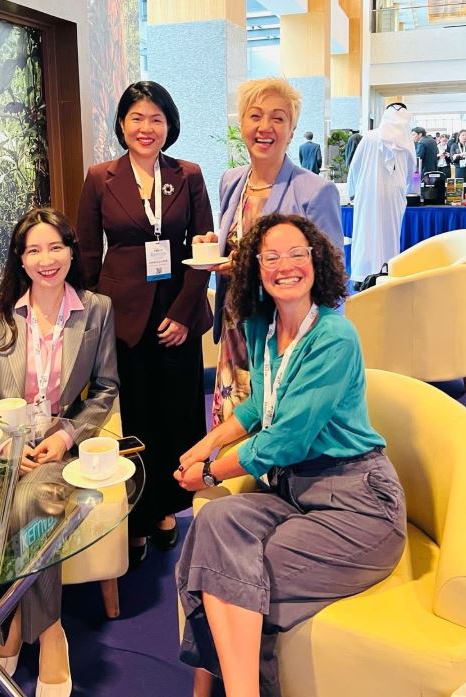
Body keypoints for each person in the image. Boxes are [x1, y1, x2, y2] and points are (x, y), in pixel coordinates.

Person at [174, 213, 407, 697]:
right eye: (272, 257)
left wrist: (211, 473)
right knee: (214, 526)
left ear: (316, 261)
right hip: (294, 492)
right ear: (255, 269)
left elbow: (286, 439)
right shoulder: (262, 328)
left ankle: (228, 689)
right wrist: (206, 443)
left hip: (358, 502)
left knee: (228, 571)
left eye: (297, 253)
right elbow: (261, 405)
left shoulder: (333, 337)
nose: (286, 266)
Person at [0, 207, 119, 697]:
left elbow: (105, 389)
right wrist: (2, 439)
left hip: (53, 448)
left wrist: (65, 437)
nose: (47, 260)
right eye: (34, 250)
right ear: (20, 259)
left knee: (35, 511)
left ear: (71, 251)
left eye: (55, 247)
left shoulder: (96, 309)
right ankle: (19, 621)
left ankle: (48, 634)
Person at [76, 81, 213, 566]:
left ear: (169, 125)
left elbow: (204, 249)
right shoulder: (101, 177)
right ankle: (135, 513)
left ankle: (167, 507)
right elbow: (87, 253)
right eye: (137, 118)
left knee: (177, 412)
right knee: (133, 416)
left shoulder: (187, 174)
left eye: (156, 118)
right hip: (123, 316)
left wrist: (184, 312)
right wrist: (94, 314)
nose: (146, 128)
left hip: (178, 310)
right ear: (122, 124)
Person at [192, 77, 342, 427]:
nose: (265, 127)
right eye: (255, 115)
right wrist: (213, 244)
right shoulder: (232, 181)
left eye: (278, 118)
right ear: (242, 124)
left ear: (292, 130)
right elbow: (239, 240)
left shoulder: (315, 191)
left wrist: (324, 349)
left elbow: (331, 279)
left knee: (276, 433)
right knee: (232, 430)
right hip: (235, 330)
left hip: (284, 336)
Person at [348, 104, 416, 285]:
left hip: (367, 192)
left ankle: (361, 275)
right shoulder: (407, 142)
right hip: (393, 195)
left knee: (365, 232)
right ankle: (386, 274)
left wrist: (352, 191)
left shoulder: (369, 136)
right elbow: (410, 172)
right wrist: (404, 190)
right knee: (389, 234)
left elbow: (355, 166)